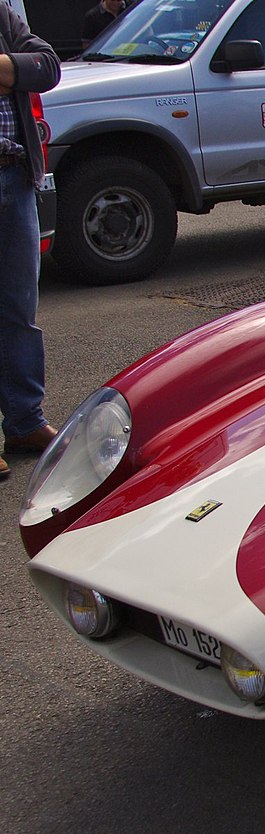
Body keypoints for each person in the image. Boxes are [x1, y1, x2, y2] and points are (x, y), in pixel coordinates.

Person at [0, 4, 61, 481]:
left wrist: (7, 69)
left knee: (19, 309)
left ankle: (24, 422)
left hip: (14, 178)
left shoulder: (2, 14)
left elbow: (47, 66)